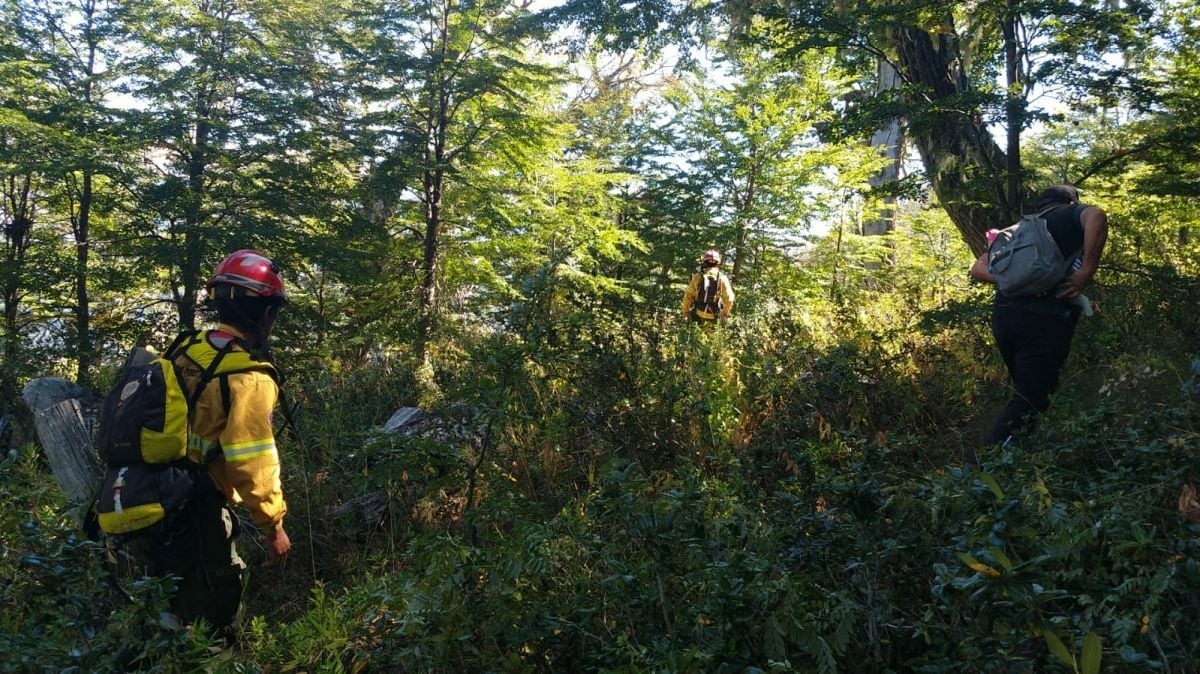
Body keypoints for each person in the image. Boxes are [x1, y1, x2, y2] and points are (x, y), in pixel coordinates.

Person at [112, 249, 292, 644]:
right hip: (196, 507)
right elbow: (252, 460)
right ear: (264, 314)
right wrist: (273, 525)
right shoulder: (250, 376)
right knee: (212, 612)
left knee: (153, 608)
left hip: (143, 491)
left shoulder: (185, 347)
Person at [970, 185, 1108, 446]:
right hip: (1045, 318)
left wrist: (1011, 279)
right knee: (1031, 398)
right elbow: (1097, 216)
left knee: (1026, 391)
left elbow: (978, 268)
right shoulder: (1067, 215)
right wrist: (1087, 270)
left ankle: (1019, 454)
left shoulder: (1014, 231)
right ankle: (985, 467)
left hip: (1004, 317)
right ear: (1069, 202)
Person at [681, 249, 735, 325]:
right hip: (714, 318)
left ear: (704, 262)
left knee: (696, 335)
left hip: (698, 315)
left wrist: (685, 312)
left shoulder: (697, 277)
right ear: (718, 263)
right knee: (712, 336)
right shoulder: (722, 278)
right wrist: (725, 313)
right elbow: (729, 299)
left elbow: (688, 296)